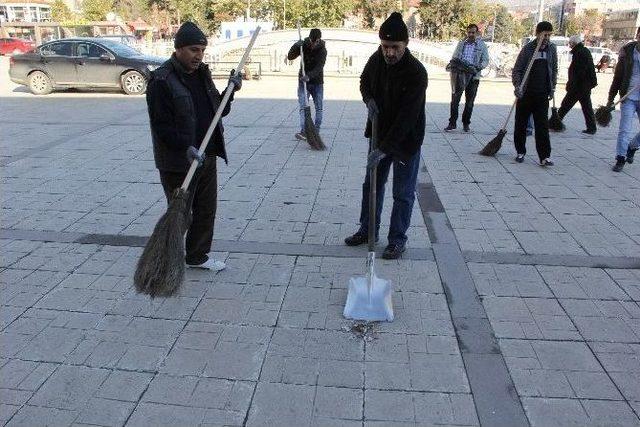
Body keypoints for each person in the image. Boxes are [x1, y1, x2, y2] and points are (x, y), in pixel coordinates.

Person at [146, 22, 242, 271]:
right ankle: (166, 257)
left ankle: (197, 257)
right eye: (193, 50)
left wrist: (231, 91)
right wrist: (185, 148)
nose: (198, 56)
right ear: (178, 49)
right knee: (181, 214)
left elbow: (217, 112)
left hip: (207, 154)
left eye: (201, 50)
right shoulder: (161, 81)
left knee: (206, 210)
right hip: (180, 161)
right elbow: (161, 126)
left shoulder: (202, 74)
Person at [344, 12, 428, 260]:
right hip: (379, 134)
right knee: (372, 185)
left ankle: (397, 240)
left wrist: (382, 150)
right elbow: (364, 81)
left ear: (406, 44)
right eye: (385, 47)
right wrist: (368, 99)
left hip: (405, 141)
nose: (389, 53)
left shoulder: (416, 72)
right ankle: (367, 230)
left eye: (395, 48)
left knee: (402, 193)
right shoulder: (377, 59)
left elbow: (407, 118)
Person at [512, 21, 557, 166]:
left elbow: (554, 70)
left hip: (542, 94)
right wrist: (518, 86)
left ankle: (544, 156)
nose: (547, 38)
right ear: (538, 34)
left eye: (549, 35)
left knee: (542, 126)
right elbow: (517, 70)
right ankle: (520, 151)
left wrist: (552, 87)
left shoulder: (552, 49)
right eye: (545, 35)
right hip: (525, 93)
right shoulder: (528, 49)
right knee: (521, 124)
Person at [444, 24, 489, 132]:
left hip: (473, 77)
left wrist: (478, 67)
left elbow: (485, 60)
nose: (471, 34)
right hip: (459, 76)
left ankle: (466, 123)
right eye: (469, 32)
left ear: (477, 33)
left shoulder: (482, 45)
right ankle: (452, 123)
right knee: (455, 100)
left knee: (469, 102)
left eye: (473, 32)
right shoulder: (461, 44)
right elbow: (454, 57)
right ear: (467, 32)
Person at [607, 26, 640, 172]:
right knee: (625, 129)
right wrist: (611, 98)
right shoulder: (627, 52)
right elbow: (618, 77)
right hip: (628, 96)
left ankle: (632, 146)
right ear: (637, 36)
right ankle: (620, 158)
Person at [287, 28, 327, 141]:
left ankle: (316, 132)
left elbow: (319, 67)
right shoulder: (303, 45)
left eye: (315, 41)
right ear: (309, 38)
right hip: (302, 82)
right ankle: (304, 131)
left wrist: (309, 76)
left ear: (319, 40)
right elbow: (290, 56)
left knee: (319, 108)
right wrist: (295, 46)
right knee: (303, 107)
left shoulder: (323, 50)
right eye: (311, 41)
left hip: (317, 83)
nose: (313, 44)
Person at [557, 35, 598, 134]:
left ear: (573, 43)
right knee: (586, 107)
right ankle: (592, 127)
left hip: (579, 86)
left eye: (570, 43)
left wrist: (571, 84)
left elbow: (579, 72)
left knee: (566, 105)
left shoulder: (580, 53)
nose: (569, 45)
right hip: (584, 86)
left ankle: (555, 123)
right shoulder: (583, 51)